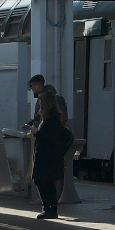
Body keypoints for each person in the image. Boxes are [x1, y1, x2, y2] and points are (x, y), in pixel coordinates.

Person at [30, 91, 74, 220]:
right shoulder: (52, 117)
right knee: (46, 181)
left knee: (43, 180)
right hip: (48, 156)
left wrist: (36, 132)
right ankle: (50, 208)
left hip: (47, 157)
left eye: (40, 102)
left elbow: (48, 138)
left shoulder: (52, 118)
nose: (39, 105)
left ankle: (49, 208)